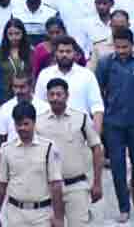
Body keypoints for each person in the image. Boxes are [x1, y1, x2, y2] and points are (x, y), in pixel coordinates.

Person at [96, 28, 134, 223]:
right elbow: (98, 93)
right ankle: (124, 207)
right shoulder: (105, 64)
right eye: (118, 46)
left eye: (125, 47)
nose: (121, 50)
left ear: (133, 45)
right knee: (117, 167)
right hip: (113, 124)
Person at [36, 78, 105, 226]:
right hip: (48, 188)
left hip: (76, 185)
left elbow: (97, 148)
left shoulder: (81, 118)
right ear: (47, 96)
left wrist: (97, 183)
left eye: (59, 94)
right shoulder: (39, 122)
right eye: (51, 94)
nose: (55, 98)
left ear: (67, 96)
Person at [0, 103, 66, 227]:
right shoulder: (6, 149)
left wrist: (58, 218)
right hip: (15, 214)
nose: (22, 128)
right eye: (18, 124)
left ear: (34, 122)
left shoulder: (48, 148)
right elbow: (1, 186)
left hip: (41, 215)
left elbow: (56, 185)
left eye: (26, 124)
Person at [34, 37, 104, 134]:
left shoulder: (87, 75)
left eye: (68, 51)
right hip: (50, 132)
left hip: (81, 132)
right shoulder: (45, 74)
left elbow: (97, 108)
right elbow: (38, 105)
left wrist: (96, 139)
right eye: (61, 51)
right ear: (55, 54)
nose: (64, 55)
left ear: (75, 54)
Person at [0, 20, 34, 101]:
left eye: (17, 34)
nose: (14, 37)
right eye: (10, 34)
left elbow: (33, 74)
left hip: (26, 94)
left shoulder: (31, 51)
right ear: (5, 35)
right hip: (5, 96)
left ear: (23, 34)